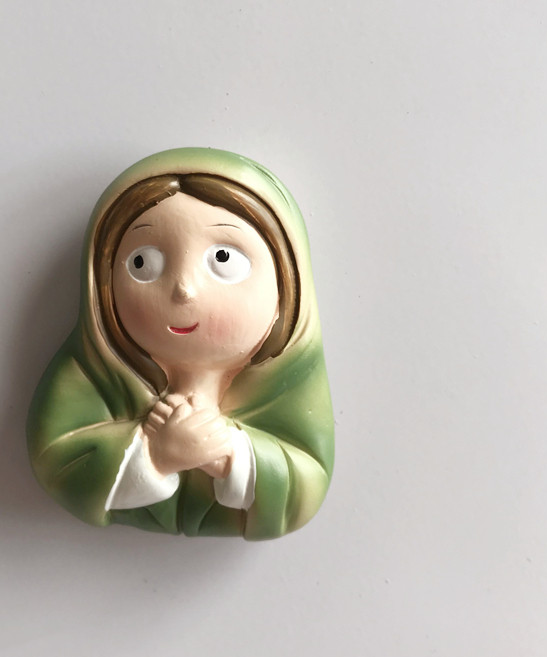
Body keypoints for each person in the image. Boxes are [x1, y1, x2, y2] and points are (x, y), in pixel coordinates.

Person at [27, 148, 334, 539]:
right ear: (102, 285)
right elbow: (56, 462)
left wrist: (229, 453)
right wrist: (153, 454)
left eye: (223, 258)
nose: (184, 289)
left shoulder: (289, 380)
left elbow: (308, 479)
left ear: (287, 281)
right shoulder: (91, 373)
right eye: (143, 263)